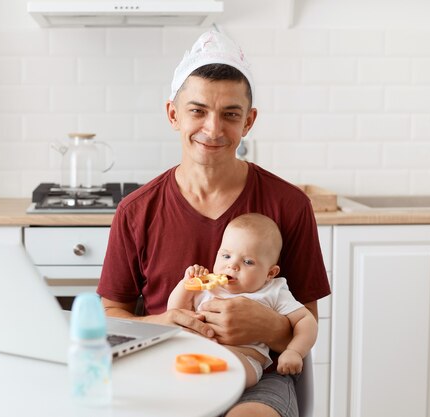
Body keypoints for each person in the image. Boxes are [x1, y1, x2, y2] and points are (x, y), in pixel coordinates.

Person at [97, 30, 330, 417]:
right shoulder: (136, 211)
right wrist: (164, 321)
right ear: (173, 114)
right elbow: (111, 316)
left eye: (230, 115)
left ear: (249, 121)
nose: (213, 129)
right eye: (198, 110)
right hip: (166, 365)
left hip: (257, 374)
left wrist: (267, 327)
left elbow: (304, 320)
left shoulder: (290, 205)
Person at [167, 213, 318, 391]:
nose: (232, 265)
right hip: (196, 355)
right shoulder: (207, 285)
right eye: (226, 256)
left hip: (245, 359)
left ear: (270, 273)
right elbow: (175, 312)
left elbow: (306, 321)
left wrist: (294, 351)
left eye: (247, 261)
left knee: (223, 371)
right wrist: (186, 284)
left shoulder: (272, 290)